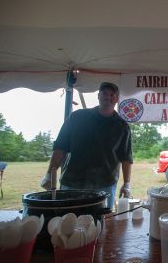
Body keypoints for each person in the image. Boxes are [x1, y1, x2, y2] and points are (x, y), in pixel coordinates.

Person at [41, 82, 133, 210]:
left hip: (105, 184)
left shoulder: (122, 126)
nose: (108, 97)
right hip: (72, 182)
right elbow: (60, 147)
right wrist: (49, 174)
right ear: (98, 96)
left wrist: (127, 184)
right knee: (68, 221)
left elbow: (126, 157)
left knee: (101, 222)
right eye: (105, 93)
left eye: (112, 94)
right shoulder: (77, 117)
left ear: (117, 99)